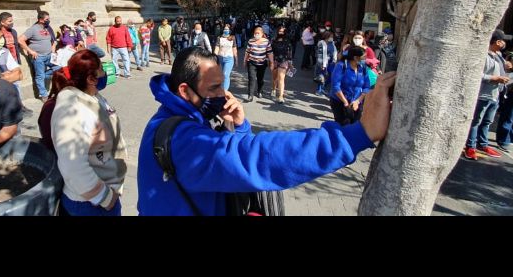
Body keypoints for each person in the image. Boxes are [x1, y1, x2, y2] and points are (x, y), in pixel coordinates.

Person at [136, 47, 396, 216]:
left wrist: (239, 127)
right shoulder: (183, 137)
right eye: (214, 88)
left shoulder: (187, 116)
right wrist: (357, 135)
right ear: (184, 90)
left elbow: (225, 163)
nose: (224, 95)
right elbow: (256, 158)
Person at [44, 50, 127, 216]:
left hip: (106, 193)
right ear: (90, 79)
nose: (105, 73)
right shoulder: (70, 109)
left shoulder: (92, 95)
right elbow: (73, 166)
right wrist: (105, 198)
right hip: (89, 204)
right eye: (101, 70)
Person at [463, 30, 510, 160]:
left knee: (488, 121)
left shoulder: (499, 55)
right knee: (476, 121)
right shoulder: (483, 55)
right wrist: (494, 78)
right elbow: (476, 74)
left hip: (496, 93)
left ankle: (483, 144)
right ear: (497, 41)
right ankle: (470, 146)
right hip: (484, 93)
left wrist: (505, 68)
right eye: (502, 40)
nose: (504, 43)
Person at [18, 10, 58, 102]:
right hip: (38, 57)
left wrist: (53, 51)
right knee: (40, 76)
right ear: (40, 19)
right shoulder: (33, 29)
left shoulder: (47, 28)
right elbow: (20, 40)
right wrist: (30, 51)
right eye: (47, 19)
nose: (49, 20)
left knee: (59, 68)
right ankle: (44, 95)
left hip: (49, 55)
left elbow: (50, 41)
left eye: (49, 18)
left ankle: (45, 76)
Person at [329, 46, 371, 125]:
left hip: (356, 103)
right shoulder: (341, 66)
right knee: (342, 126)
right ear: (355, 58)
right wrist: (345, 103)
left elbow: (366, 87)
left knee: (355, 126)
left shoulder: (363, 68)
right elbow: (335, 86)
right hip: (339, 101)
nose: (365, 59)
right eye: (364, 57)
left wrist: (357, 101)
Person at [244, 26, 274, 102]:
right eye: (255, 33)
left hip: (262, 64)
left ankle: (259, 91)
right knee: (251, 78)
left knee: (260, 79)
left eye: (258, 33)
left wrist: (272, 62)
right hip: (251, 62)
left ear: (262, 34)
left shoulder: (266, 42)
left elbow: (270, 53)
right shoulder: (250, 41)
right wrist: (244, 61)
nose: (256, 34)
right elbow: (247, 51)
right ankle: (250, 95)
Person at [270, 26, 293, 104]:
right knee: (274, 78)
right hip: (274, 60)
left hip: (284, 61)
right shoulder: (273, 40)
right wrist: (270, 61)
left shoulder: (287, 41)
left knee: (281, 78)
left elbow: (290, 51)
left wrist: (290, 62)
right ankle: (273, 89)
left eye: (282, 31)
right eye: (280, 31)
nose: (281, 33)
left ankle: (280, 96)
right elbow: (270, 51)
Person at [213, 24, 237, 91]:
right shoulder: (219, 38)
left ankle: (225, 92)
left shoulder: (233, 38)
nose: (226, 30)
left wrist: (236, 59)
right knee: (221, 75)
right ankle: (221, 89)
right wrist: (214, 57)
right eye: (225, 29)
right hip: (220, 58)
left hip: (229, 59)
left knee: (225, 75)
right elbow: (217, 48)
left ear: (229, 30)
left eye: (227, 29)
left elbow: (234, 49)